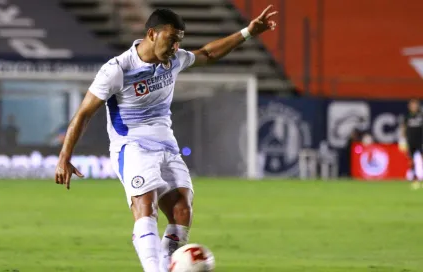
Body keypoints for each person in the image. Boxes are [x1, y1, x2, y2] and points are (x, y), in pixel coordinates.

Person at [55, 6, 277, 272]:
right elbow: (83, 114)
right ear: (152, 34)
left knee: (182, 210)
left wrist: (248, 32)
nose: (175, 47)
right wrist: (64, 157)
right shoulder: (117, 69)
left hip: (167, 146)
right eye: (171, 39)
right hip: (132, 146)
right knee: (145, 206)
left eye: (179, 41)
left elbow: (207, 53)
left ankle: (168, 267)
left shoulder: (173, 60)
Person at [399, 99, 423, 189]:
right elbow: (403, 128)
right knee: (411, 160)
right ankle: (414, 178)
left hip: (420, 140)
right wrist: (402, 139)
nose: (413, 107)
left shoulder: (421, 115)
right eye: (411, 105)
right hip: (411, 141)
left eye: (415, 105)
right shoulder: (407, 116)